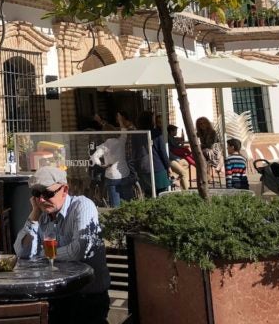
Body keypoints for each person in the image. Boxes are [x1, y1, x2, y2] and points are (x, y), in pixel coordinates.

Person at [14, 166, 111, 324]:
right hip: (57, 295)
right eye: (36, 194)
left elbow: (78, 250)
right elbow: (22, 253)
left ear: (64, 190)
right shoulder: (43, 215)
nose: (41, 200)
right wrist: (34, 214)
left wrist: (41, 254)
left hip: (87, 296)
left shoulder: (82, 206)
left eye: (48, 193)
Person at [131, 111, 171, 196]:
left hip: (144, 169)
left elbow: (134, 154)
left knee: (149, 195)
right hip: (158, 168)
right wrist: (168, 166)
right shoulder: (156, 133)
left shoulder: (135, 134)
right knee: (162, 195)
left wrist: (135, 170)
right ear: (149, 120)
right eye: (153, 118)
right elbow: (162, 152)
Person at [91, 136, 134, 207]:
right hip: (124, 173)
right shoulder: (121, 141)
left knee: (115, 204)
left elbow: (94, 157)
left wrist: (102, 165)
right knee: (128, 202)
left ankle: (117, 216)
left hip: (112, 175)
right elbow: (124, 131)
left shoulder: (105, 145)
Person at [195, 117, 224, 184]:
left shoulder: (212, 132)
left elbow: (211, 145)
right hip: (205, 150)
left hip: (214, 149)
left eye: (203, 123)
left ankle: (207, 176)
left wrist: (201, 145)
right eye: (200, 124)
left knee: (204, 155)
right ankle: (206, 176)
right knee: (201, 157)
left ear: (207, 124)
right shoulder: (199, 133)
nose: (202, 125)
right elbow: (196, 140)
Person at [167, 125, 192, 190]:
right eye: (175, 131)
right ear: (171, 131)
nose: (176, 132)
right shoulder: (169, 138)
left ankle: (175, 177)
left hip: (174, 157)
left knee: (186, 163)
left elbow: (176, 145)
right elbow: (173, 149)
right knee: (184, 173)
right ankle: (186, 192)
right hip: (172, 158)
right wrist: (177, 158)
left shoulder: (171, 137)